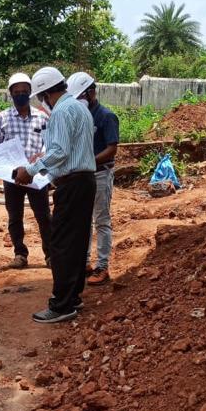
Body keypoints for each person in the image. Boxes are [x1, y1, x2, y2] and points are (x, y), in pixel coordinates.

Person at [14, 67, 96, 324]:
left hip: (72, 184)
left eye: (41, 97)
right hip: (85, 181)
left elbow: (59, 151)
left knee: (60, 243)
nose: (42, 102)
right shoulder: (80, 107)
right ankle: (74, 296)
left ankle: (61, 304)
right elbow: (68, 149)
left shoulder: (61, 111)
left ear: (48, 93)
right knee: (77, 242)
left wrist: (30, 169)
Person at [0, 72, 53, 269]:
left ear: (31, 92)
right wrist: (7, 160)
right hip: (12, 177)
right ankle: (20, 254)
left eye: (24, 91)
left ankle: (50, 255)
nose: (21, 95)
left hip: (37, 176)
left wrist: (41, 155)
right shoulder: (2, 118)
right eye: (17, 92)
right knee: (15, 216)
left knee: (43, 216)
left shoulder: (42, 118)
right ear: (11, 93)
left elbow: (50, 145)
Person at [67, 72, 119, 286]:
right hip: (83, 175)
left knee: (102, 220)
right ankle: (85, 261)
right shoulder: (79, 116)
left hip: (100, 174)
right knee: (84, 220)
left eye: (80, 96)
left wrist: (88, 161)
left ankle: (102, 265)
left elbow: (112, 149)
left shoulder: (106, 116)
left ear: (91, 92)